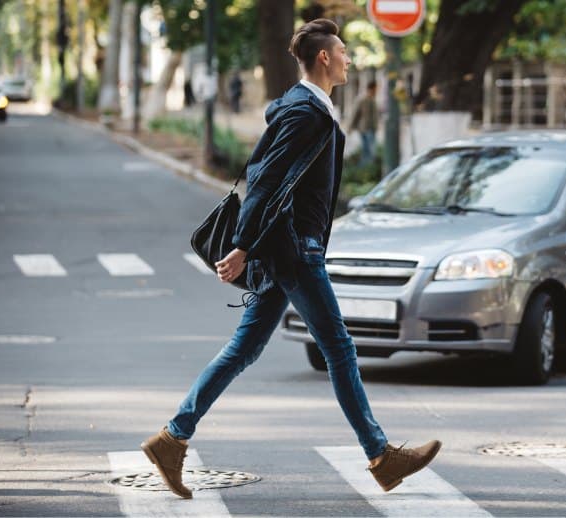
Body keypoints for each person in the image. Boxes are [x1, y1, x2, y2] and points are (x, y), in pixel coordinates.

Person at [140, 18, 441, 500]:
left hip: (287, 249)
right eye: (342, 50)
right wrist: (241, 246)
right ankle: (381, 456)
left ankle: (172, 438)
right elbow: (266, 180)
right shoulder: (305, 112)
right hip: (295, 250)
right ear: (324, 57)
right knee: (339, 349)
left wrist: (252, 244)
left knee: (245, 349)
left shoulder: (309, 108)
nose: (347, 57)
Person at [349, 80, 379, 166]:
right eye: (376, 89)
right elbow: (356, 114)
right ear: (371, 89)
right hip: (365, 128)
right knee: (368, 150)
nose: (376, 91)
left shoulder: (373, 99)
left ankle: (367, 168)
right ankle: (365, 168)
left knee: (369, 150)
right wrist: (350, 127)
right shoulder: (362, 99)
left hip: (372, 128)